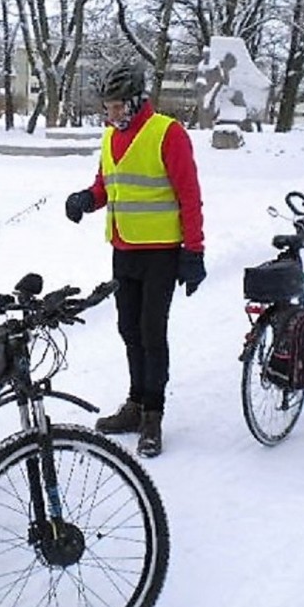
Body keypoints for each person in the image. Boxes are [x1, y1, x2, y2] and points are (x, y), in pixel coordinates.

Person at [64, 62, 206, 458]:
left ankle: (153, 417)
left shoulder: (168, 133)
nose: (107, 114)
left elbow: (189, 196)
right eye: (106, 107)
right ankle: (134, 403)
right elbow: (105, 185)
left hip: (161, 253)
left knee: (151, 333)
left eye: (113, 107)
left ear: (133, 102)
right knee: (128, 329)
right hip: (123, 251)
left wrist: (194, 251)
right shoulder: (111, 138)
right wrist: (85, 200)